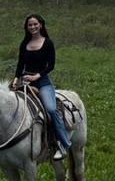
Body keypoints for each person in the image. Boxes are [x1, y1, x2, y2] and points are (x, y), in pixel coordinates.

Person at [9, 14, 72, 162]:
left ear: (41, 25)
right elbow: (20, 65)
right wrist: (15, 80)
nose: (33, 27)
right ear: (26, 27)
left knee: (50, 109)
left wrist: (36, 76)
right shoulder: (24, 44)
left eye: (35, 24)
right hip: (26, 83)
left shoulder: (48, 43)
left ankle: (63, 144)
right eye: (30, 25)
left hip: (43, 83)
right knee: (9, 107)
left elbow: (51, 65)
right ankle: (1, 146)